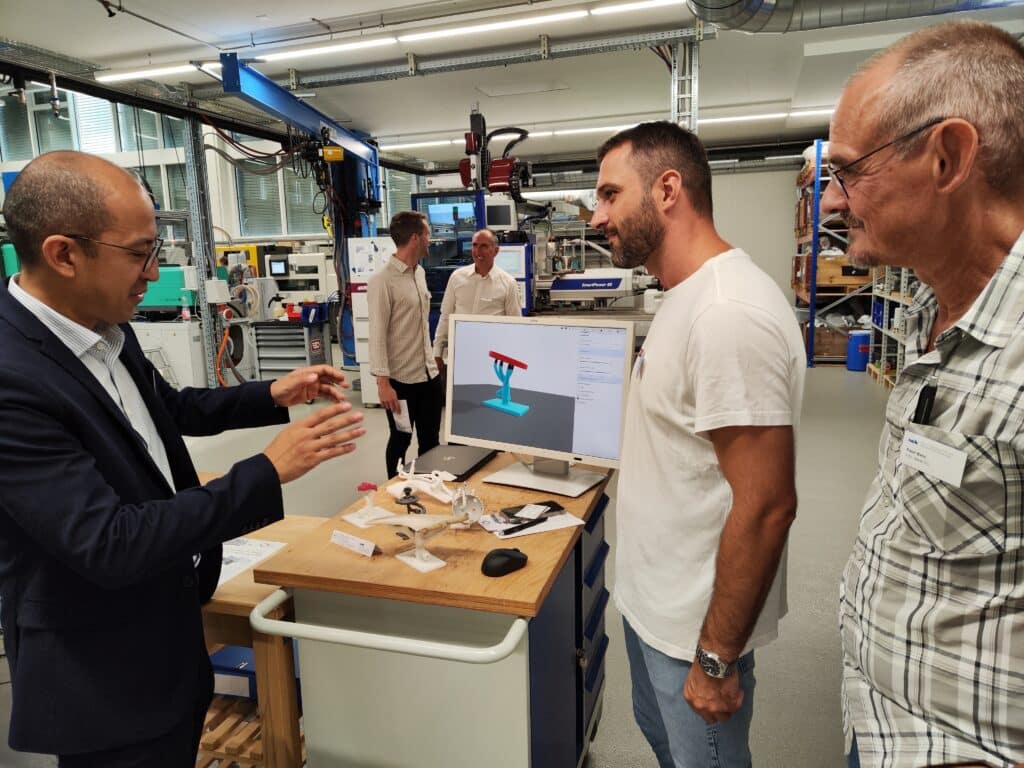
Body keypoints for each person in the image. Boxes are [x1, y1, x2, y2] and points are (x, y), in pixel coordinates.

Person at [0, 150, 366, 767]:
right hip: (103, 682)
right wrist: (267, 470)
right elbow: (109, 543)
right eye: (139, 253)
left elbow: (169, 408)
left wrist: (272, 394)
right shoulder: (12, 378)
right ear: (63, 254)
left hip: (165, 637)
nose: (154, 271)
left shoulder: (104, 326)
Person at [821, 21, 1024, 768]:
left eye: (848, 172)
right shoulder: (928, 309)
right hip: (880, 727)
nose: (833, 203)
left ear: (948, 158)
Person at [591, 121, 804, 768]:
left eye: (609, 195)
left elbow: (766, 506)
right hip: (652, 606)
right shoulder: (681, 298)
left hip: (693, 633)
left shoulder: (726, 314)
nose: (596, 218)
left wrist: (715, 659)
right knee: (662, 742)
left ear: (667, 190)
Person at [368, 210, 443, 477]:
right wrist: (383, 384)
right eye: (427, 234)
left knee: (431, 441)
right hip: (400, 383)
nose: (430, 240)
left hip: (428, 376)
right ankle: (393, 490)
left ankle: (429, 486)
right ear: (415, 238)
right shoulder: (382, 281)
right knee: (401, 439)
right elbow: (377, 334)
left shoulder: (419, 273)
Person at [432, 228, 521, 374]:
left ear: (496, 251)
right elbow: (445, 316)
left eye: (484, 246)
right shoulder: (457, 277)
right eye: (474, 245)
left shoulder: (508, 283)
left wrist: (511, 359)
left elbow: (515, 325)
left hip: (491, 359)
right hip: (459, 356)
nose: (477, 251)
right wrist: (437, 352)